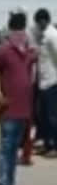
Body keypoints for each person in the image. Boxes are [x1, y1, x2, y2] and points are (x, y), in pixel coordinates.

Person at [0, 8, 37, 185]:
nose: (20, 28)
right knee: (6, 150)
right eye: (17, 24)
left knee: (14, 150)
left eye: (21, 24)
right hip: (9, 109)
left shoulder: (27, 50)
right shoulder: (4, 50)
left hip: (24, 109)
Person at [32, 8, 57, 158]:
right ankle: (47, 144)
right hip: (43, 81)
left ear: (44, 20)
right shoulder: (42, 36)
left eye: (38, 22)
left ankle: (54, 146)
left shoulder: (52, 35)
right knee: (43, 116)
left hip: (52, 80)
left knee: (52, 116)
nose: (37, 25)